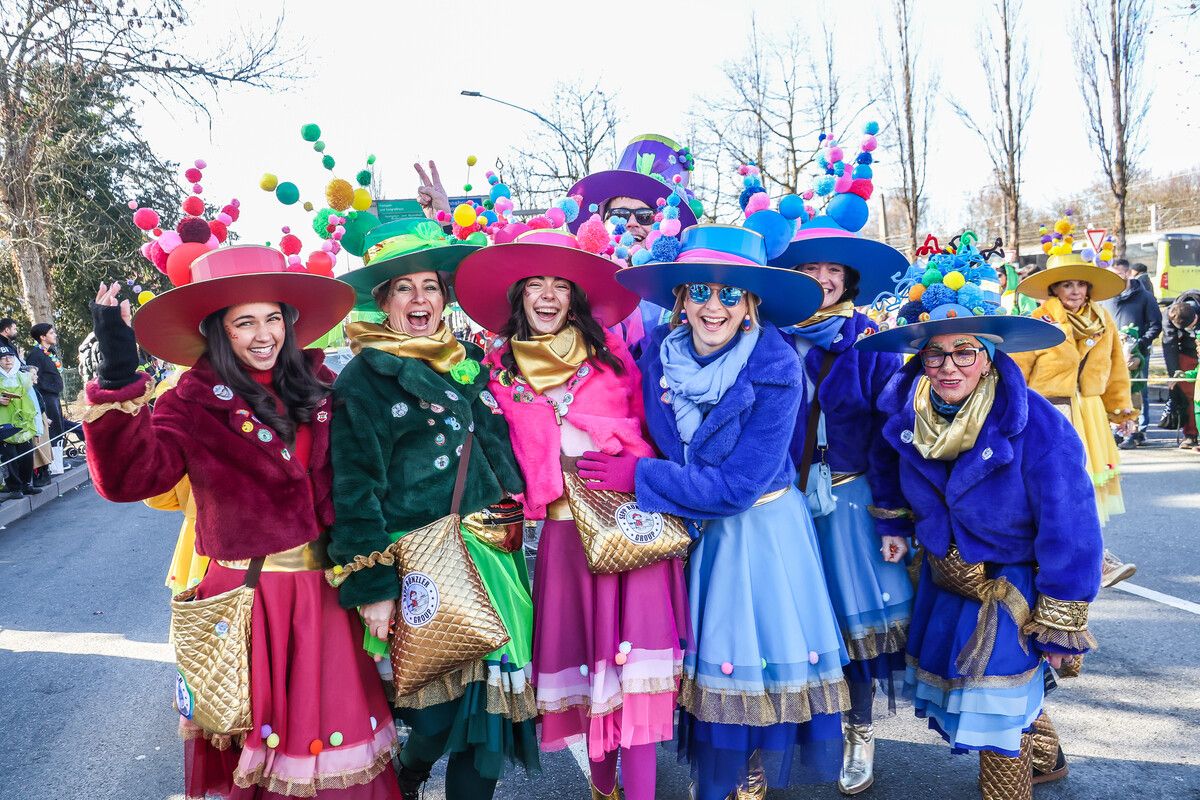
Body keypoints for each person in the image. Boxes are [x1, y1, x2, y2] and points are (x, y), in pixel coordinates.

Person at [82, 245, 403, 799]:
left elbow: (367, 482)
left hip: (324, 598)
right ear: (217, 331)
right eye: (244, 322)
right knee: (258, 755)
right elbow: (130, 479)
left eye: (273, 318)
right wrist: (117, 378)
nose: (264, 334)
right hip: (248, 600)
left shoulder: (323, 389)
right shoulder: (191, 402)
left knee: (329, 744)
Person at [596, 224, 849, 800]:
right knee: (700, 668)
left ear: (751, 305)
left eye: (730, 294)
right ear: (681, 299)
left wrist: (639, 477)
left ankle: (742, 775)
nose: (715, 305)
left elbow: (736, 486)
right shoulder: (656, 355)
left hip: (755, 532)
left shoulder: (778, 368)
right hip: (686, 529)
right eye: (701, 292)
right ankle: (722, 775)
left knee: (744, 660)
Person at [857, 246, 1102, 800]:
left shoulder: (1036, 424)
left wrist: (1063, 619)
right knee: (998, 695)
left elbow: (1072, 524)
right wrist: (893, 526)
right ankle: (1047, 755)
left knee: (994, 709)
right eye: (935, 355)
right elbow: (887, 469)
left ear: (989, 356)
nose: (948, 368)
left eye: (964, 353)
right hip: (945, 578)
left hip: (1012, 581)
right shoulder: (907, 413)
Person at [456, 228, 687, 800]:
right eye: (536, 283)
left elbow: (648, 435)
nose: (549, 295)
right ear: (520, 296)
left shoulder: (612, 360)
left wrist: (614, 451)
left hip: (623, 533)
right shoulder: (498, 372)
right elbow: (493, 454)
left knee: (634, 684)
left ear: (576, 298)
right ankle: (602, 790)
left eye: (561, 284)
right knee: (587, 679)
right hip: (560, 538)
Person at [329, 220, 539, 800]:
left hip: (491, 559)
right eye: (404, 288)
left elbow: (495, 443)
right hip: (419, 568)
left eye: (430, 287)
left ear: (444, 298)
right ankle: (410, 775)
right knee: (436, 718)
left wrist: (519, 500)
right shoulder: (362, 379)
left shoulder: (467, 358)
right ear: (384, 301)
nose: (420, 299)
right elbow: (354, 489)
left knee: (491, 719)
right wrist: (373, 584)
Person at [769, 196, 914, 795]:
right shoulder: (766, 333)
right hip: (781, 502)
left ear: (848, 279)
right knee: (792, 619)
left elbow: (889, 437)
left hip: (850, 503)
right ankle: (790, 731)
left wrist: (890, 519)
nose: (822, 280)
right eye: (809, 270)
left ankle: (859, 730)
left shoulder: (871, 340)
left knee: (850, 626)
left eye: (833, 271)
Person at [1012, 222, 1137, 586]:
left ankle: (1092, 554)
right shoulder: (1041, 321)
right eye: (1067, 284)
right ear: (1054, 287)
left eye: (1081, 284)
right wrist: (1014, 413)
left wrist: (1121, 411)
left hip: (1091, 413)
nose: (1076, 291)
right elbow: (1018, 371)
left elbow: (1116, 370)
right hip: (1051, 412)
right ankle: (1089, 558)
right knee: (1058, 486)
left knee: (1086, 487)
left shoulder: (1103, 320)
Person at [566, 135, 702, 352]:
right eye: (619, 214)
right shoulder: (574, 284)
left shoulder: (685, 291)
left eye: (644, 216)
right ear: (601, 222)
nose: (630, 223)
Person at [1103, 258, 1161, 444]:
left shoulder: (1144, 297)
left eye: (1118, 274)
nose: (1113, 278)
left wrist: (1138, 346)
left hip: (1137, 355)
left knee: (1138, 390)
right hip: (1111, 353)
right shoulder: (1106, 298)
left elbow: (1155, 325)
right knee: (1113, 389)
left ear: (1127, 273)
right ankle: (1117, 429)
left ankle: (1138, 431)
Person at [25, 322, 70, 475]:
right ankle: (52, 465)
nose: (54, 335)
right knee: (53, 429)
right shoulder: (35, 355)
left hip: (54, 396)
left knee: (59, 428)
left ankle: (59, 462)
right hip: (46, 397)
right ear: (42, 337)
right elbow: (34, 380)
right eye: (51, 333)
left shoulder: (50, 353)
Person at [0, 344, 41, 497]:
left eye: (10, 356)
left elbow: (33, 401)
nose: (7, 360)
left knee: (26, 455)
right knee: (9, 457)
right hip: (3, 424)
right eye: (3, 358)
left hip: (23, 423)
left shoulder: (22, 377)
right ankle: (14, 487)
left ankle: (26, 484)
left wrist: (37, 425)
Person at [1162, 290, 1200, 448]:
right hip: (1186, 354)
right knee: (1189, 397)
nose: (1192, 330)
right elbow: (1169, 344)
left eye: (1194, 326)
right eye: (1187, 329)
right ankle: (1191, 434)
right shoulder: (1168, 315)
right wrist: (1175, 373)